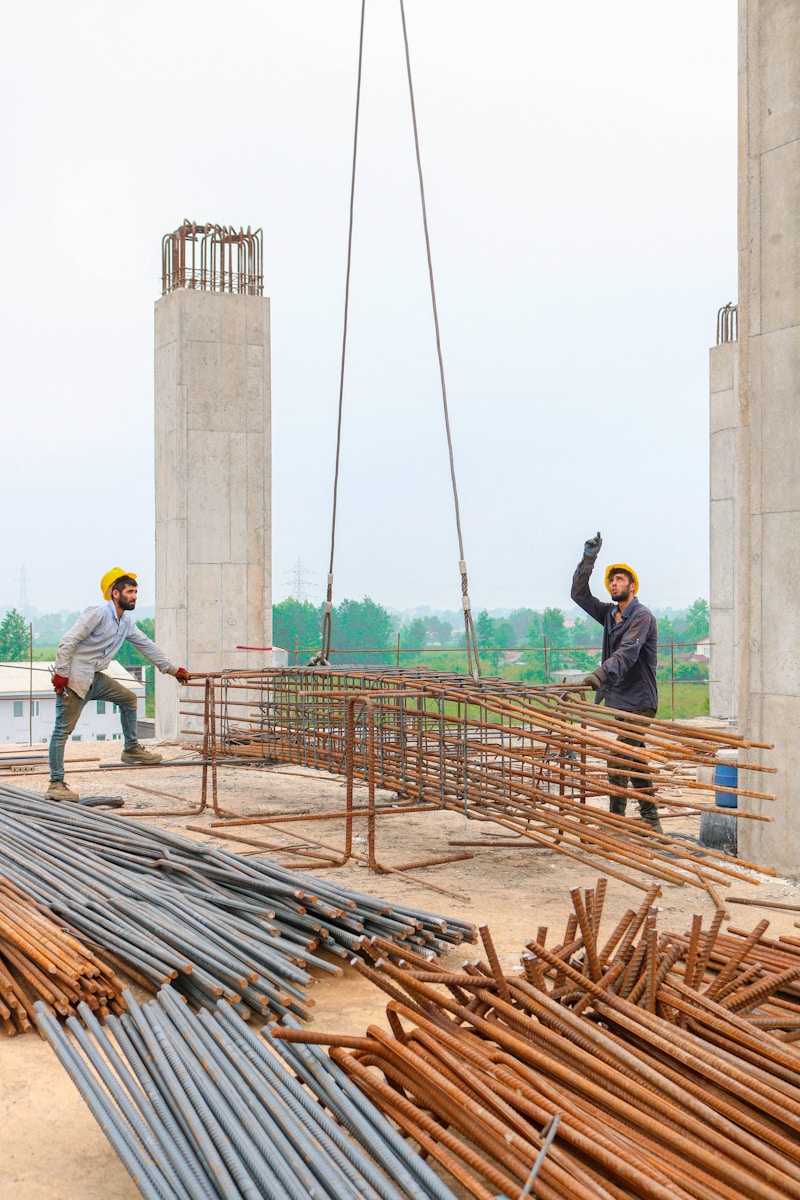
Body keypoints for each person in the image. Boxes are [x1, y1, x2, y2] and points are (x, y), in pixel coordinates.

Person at [45, 568, 189, 802]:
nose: (134, 596)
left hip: (95, 677)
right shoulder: (98, 614)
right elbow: (68, 641)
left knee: (129, 699)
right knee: (62, 732)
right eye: (130, 591)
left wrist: (172, 670)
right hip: (74, 680)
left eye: (136, 592)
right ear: (115, 593)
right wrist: (62, 674)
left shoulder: (126, 623)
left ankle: (131, 750)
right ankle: (55, 784)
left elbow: (146, 645)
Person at [570, 531, 663, 833]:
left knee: (618, 760)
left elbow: (627, 653)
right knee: (635, 760)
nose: (614, 584)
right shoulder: (610, 615)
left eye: (620, 580)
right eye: (612, 580)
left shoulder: (642, 617)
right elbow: (579, 596)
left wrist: (599, 675)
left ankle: (614, 823)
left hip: (642, 703)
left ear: (632, 587)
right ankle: (651, 819)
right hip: (622, 702)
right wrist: (588, 559)